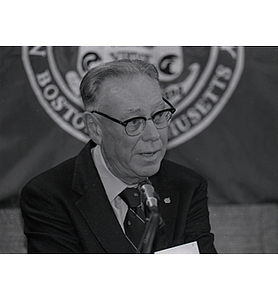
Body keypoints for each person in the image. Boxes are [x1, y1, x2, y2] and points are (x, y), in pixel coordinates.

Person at [20, 59, 217, 254]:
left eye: (158, 115)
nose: (153, 135)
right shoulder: (50, 196)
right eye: (134, 121)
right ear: (95, 128)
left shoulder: (187, 186)